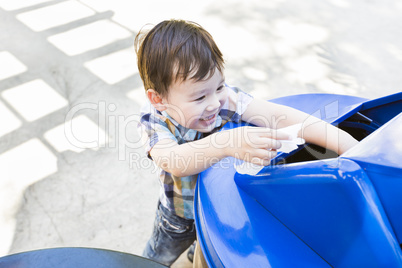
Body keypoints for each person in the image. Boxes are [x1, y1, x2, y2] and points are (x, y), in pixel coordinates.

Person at [134, 19, 358, 267]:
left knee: (205, 243)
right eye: (199, 97)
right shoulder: (153, 120)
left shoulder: (223, 98)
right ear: (159, 100)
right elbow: (174, 161)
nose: (214, 103)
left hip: (215, 206)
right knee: (157, 257)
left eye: (218, 86)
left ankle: (194, 252)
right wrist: (227, 142)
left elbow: (277, 116)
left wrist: (341, 139)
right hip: (178, 215)